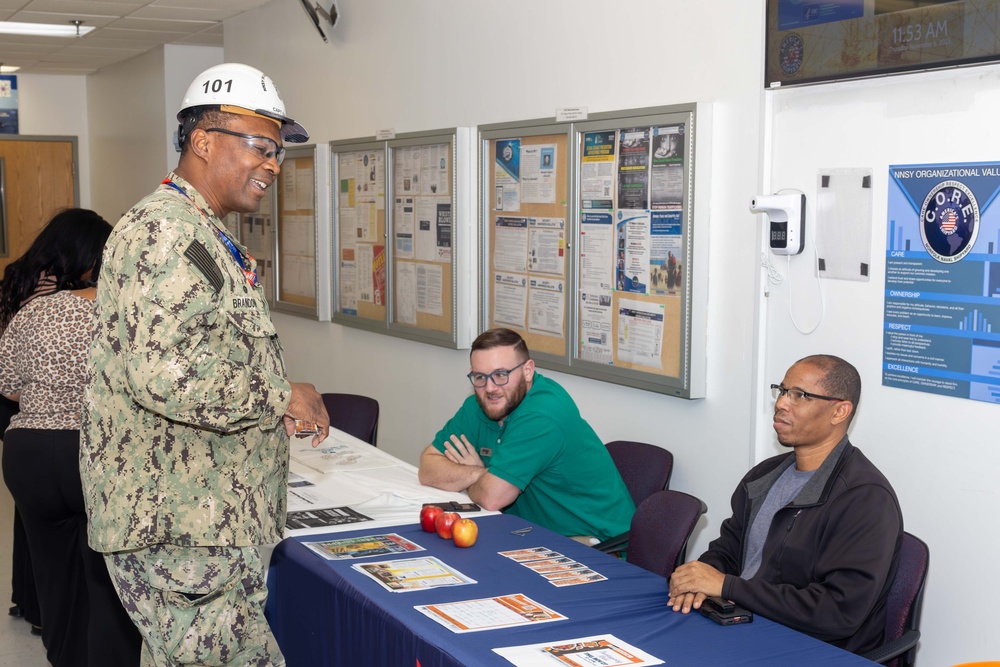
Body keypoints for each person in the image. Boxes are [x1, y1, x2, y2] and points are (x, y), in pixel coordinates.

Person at [80, 63, 330, 667]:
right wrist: (279, 394)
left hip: (205, 520)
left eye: (279, 152)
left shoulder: (201, 233)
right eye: (261, 146)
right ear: (204, 141)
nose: (273, 164)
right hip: (182, 528)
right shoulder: (166, 233)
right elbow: (167, 373)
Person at [668, 355, 902, 655]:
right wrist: (699, 577)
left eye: (800, 395)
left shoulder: (865, 498)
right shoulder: (764, 475)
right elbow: (729, 549)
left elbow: (838, 613)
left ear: (839, 411)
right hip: (744, 624)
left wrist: (726, 586)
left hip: (814, 649)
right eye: (782, 390)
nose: (781, 404)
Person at [0, 208, 141, 666]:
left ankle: (64, 659)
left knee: (54, 576)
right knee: (105, 577)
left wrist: (49, 398)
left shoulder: (36, 310)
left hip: (31, 455)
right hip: (93, 451)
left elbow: (9, 385)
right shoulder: (123, 316)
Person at [418, 328, 634, 542]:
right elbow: (428, 468)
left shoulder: (543, 413)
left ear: (528, 370)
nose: (490, 388)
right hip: (525, 533)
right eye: (479, 377)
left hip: (591, 542)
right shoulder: (480, 404)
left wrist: (470, 478)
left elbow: (492, 498)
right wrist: (480, 474)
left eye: (501, 375)